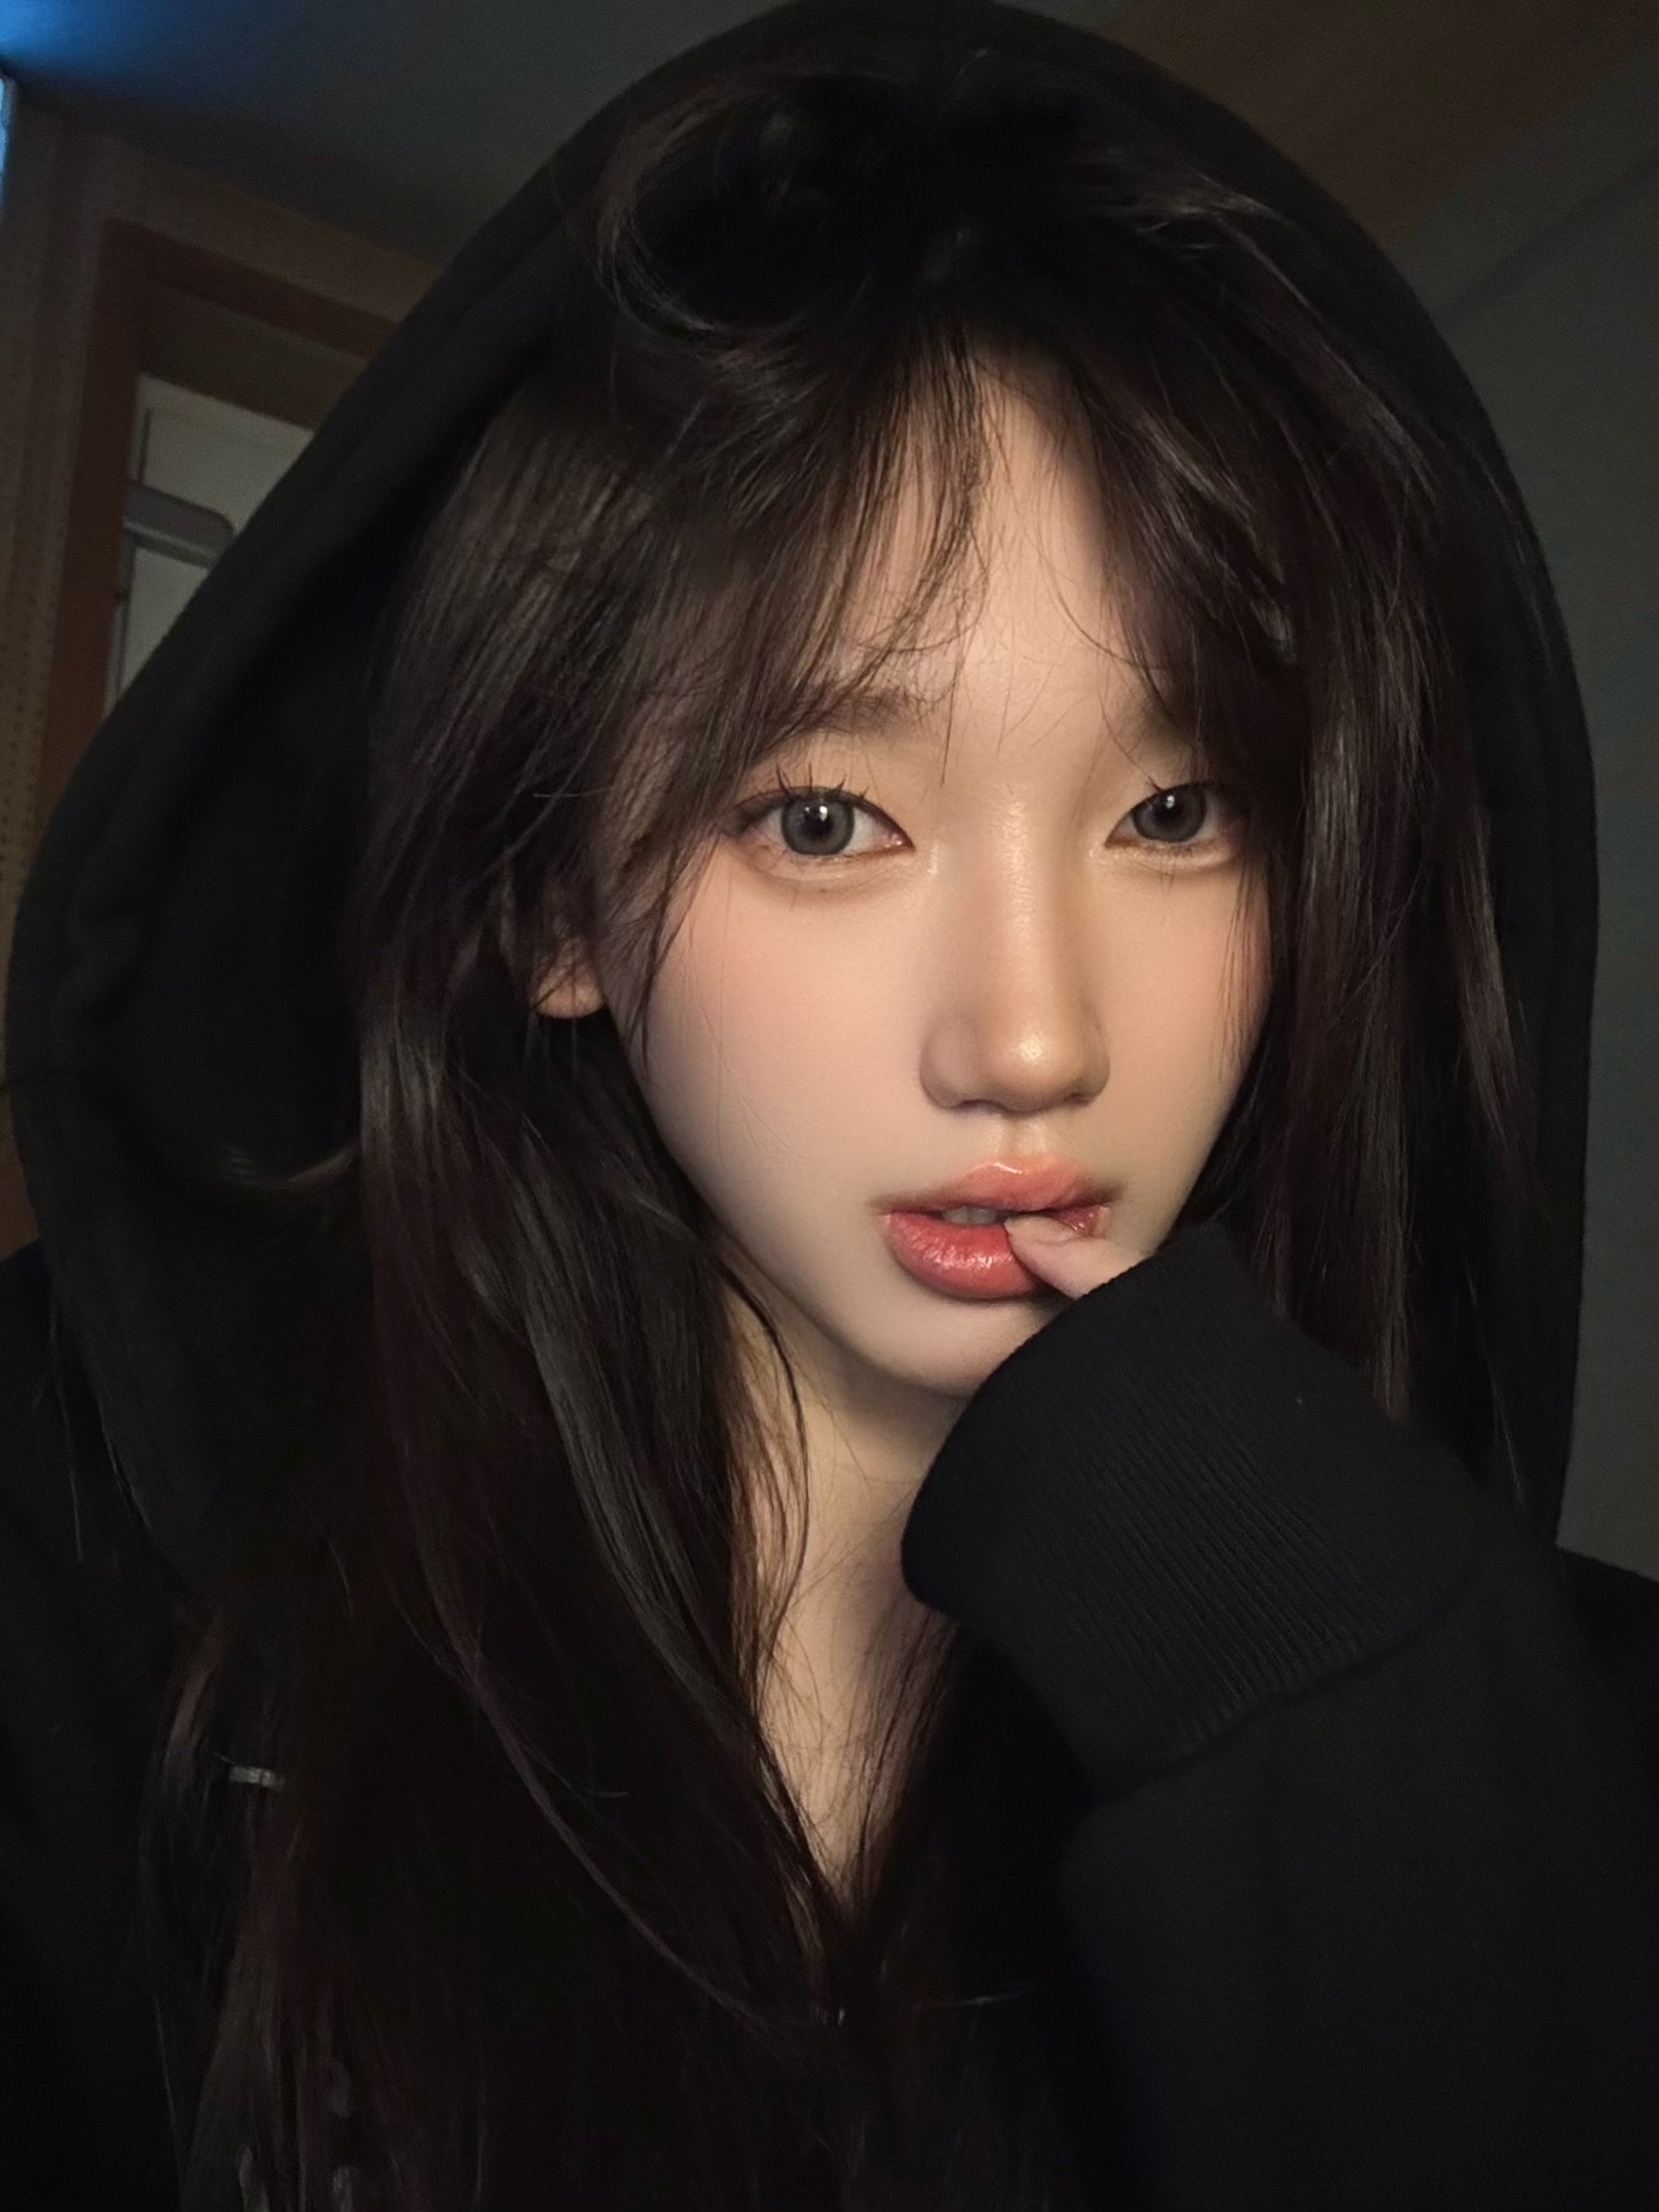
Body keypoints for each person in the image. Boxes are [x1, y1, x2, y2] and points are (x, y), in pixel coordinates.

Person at [3, 1, 1657, 2205]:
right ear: (552, 906)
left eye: (1174, 811)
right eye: (823, 818)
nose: (1033, 1043)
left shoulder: (1551, 1741)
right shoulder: (80, 1577)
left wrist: (1340, 1742)